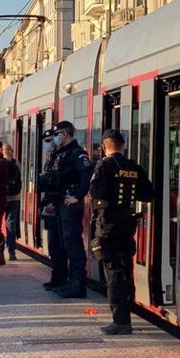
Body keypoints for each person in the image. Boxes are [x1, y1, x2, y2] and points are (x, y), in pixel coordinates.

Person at [89, 130, 153, 335]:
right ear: (123, 145)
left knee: (113, 272)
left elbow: (95, 193)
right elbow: (148, 193)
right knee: (126, 270)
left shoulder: (104, 166)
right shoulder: (134, 167)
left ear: (104, 147)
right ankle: (128, 311)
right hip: (128, 226)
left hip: (108, 227)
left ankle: (121, 321)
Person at [46, 121, 93, 299]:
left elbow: (87, 174)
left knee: (72, 243)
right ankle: (64, 280)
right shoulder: (60, 153)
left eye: (57, 134)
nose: (56, 138)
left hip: (70, 204)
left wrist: (79, 195)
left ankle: (77, 284)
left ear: (65, 134)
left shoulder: (77, 153)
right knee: (61, 243)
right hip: (59, 203)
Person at [3, 145, 22, 261]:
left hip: (3, 198)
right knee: (11, 223)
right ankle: (11, 251)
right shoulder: (17, 163)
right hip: (15, 197)